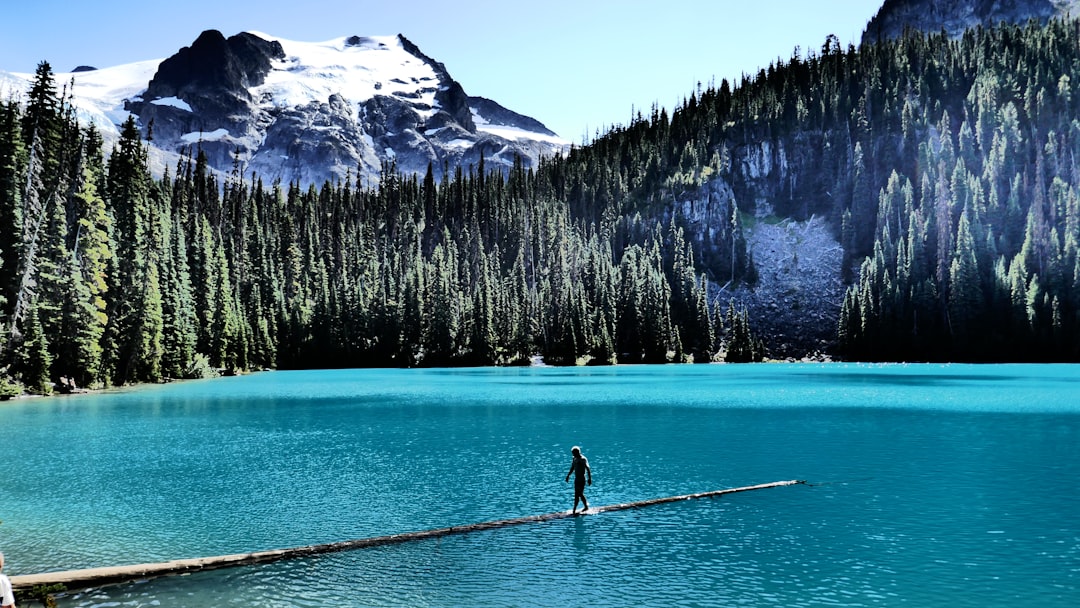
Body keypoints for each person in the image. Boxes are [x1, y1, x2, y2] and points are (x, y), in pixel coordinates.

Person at [564, 445, 592, 514]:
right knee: (577, 494)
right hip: (576, 479)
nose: (572, 454)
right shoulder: (574, 459)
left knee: (579, 493)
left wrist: (589, 479)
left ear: (577, 452)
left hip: (582, 479)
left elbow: (588, 469)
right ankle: (575, 509)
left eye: (573, 453)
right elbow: (572, 468)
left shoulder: (583, 459)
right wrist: (568, 476)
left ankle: (584, 507)